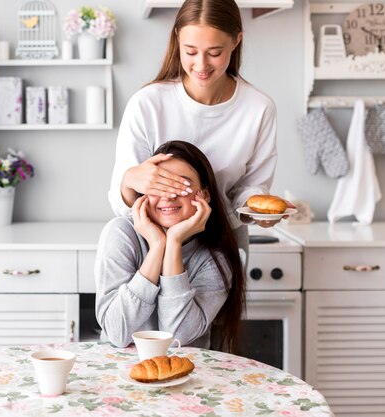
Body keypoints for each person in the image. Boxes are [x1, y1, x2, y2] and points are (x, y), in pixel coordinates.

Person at [109, 0, 287, 257]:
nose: (201, 65)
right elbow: (121, 204)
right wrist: (129, 182)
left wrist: (257, 210)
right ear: (177, 39)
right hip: (151, 245)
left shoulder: (259, 108)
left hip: (221, 245)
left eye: (214, 52)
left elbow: (251, 188)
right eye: (190, 51)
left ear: (236, 41)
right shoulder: (147, 103)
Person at [96, 140, 245, 352]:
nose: (169, 195)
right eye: (159, 184)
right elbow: (117, 333)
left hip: (188, 374)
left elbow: (177, 338)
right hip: (120, 372)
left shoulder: (214, 258)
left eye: (181, 185)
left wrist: (173, 244)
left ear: (205, 194)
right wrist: (157, 247)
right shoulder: (121, 234)